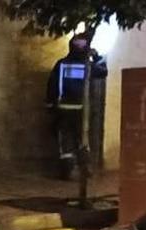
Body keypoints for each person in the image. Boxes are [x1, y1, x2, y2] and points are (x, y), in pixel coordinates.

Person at [46, 34, 107, 179]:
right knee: (83, 140)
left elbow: (51, 85)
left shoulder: (61, 64)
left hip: (63, 110)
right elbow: (103, 72)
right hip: (82, 111)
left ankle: (67, 172)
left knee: (65, 143)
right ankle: (84, 170)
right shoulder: (88, 66)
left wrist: (50, 105)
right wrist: (98, 56)